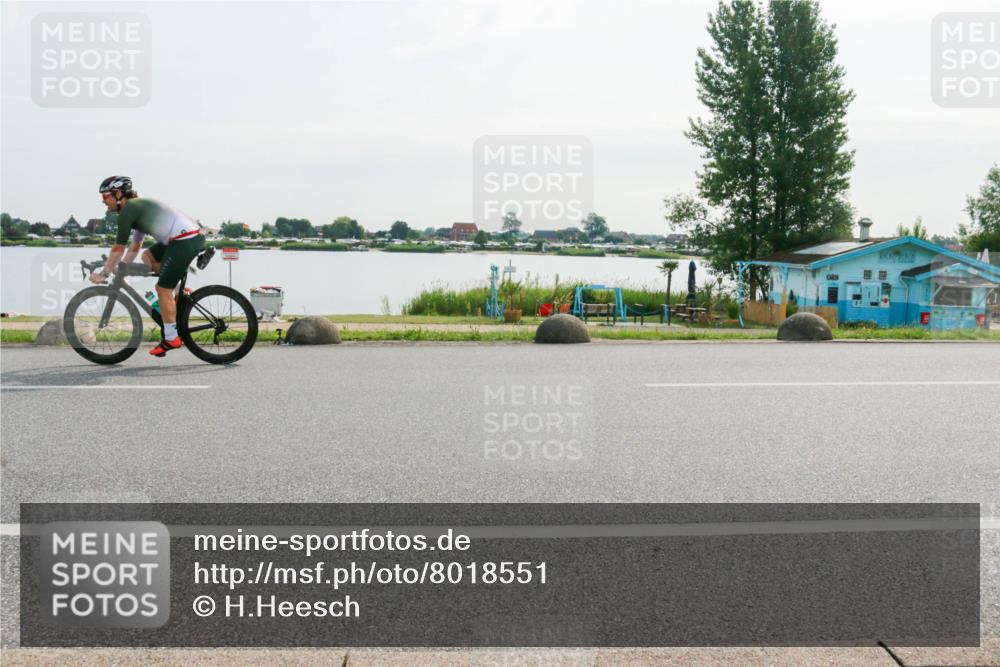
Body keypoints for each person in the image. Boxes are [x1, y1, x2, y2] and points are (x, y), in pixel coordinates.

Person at [90, 176, 206, 357]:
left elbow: (118, 247)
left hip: (184, 241)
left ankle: (171, 338)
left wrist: (104, 273)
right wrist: (121, 266)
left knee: (161, 289)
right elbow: (134, 247)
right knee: (148, 257)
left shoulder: (129, 210)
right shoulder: (137, 209)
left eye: (105, 196)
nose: (103, 201)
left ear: (118, 194)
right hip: (185, 238)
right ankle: (178, 290)